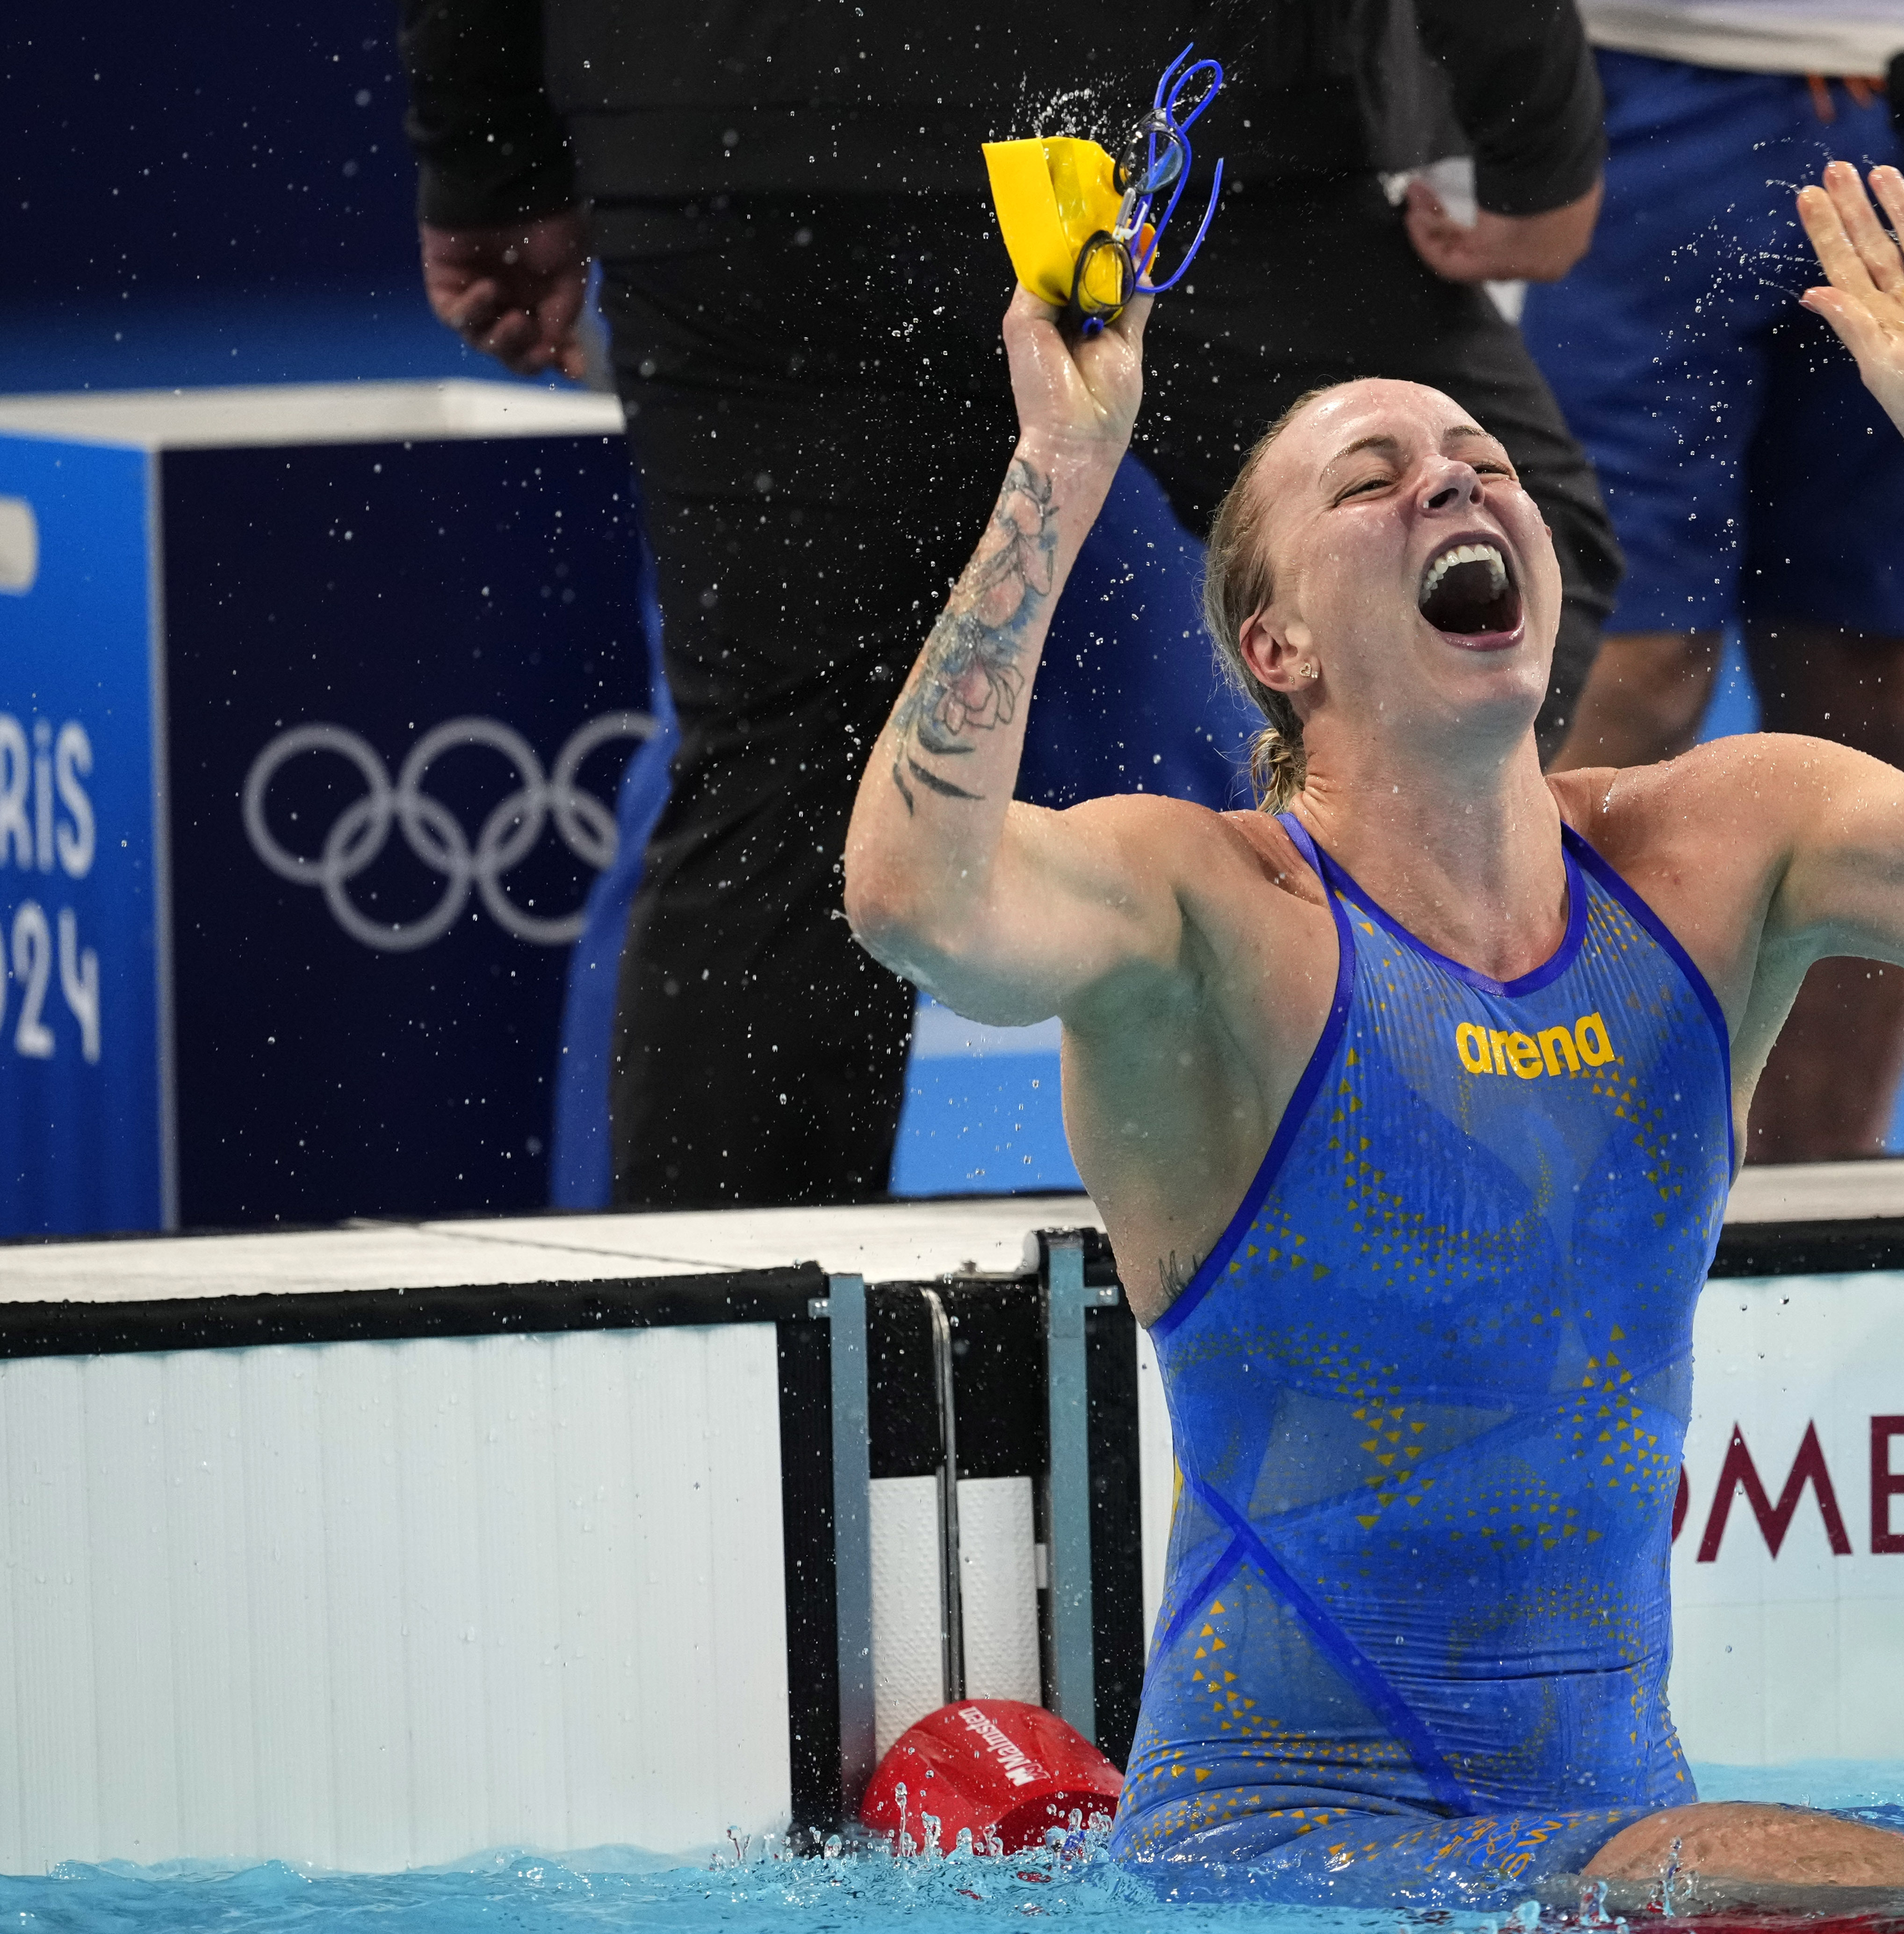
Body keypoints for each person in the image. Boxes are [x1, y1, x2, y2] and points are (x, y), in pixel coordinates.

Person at [842, 164, 1904, 1907]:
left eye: (1483, 462)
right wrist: (1059, 473)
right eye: (1373, 482)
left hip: (1620, 1856)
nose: (1452, 475)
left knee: (1902, 1880)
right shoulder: (1207, 915)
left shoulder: (1717, 851)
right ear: (1274, 643)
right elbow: (916, 895)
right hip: (1286, 1861)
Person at [397, 0, 1624, 1208]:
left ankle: (731, 1361)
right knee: (1480, 571)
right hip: (1189, 118)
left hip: (740, 131)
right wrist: (1534, 137)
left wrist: (491, 162)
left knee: (776, 782)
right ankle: (1391, 1195)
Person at [1520, 0, 1904, 1163]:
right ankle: (1530, 1185)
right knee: (1614, 669)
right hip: (1649, 84)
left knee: (1895, 684)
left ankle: (1819, 1198)